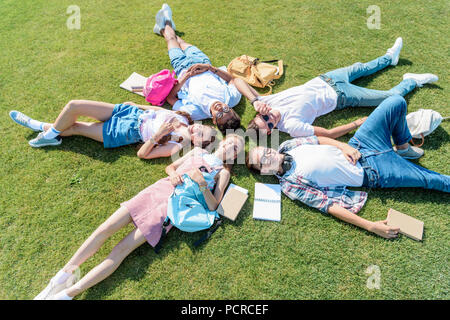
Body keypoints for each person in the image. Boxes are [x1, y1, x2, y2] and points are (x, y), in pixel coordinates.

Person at [33, 133, 245, 300]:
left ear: (235, 156)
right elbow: (170, 166)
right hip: (155, 192)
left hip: (171, 210)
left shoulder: (222, 173)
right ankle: (62, 275)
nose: (229, 148)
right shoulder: (197, 151)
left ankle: (67, 295)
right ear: (222, 142)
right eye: (229, 142)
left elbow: (213, 205)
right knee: (104, 229)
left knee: (121, 250)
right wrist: (173, 174)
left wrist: (201, 184)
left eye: (235, 148)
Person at [246, 95, 449, 239]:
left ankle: (403, 147)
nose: (268, 154)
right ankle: (401, 154)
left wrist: (343, 145)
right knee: (432, 180)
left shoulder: (286, 145)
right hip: (375, 172)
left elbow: (318, 139)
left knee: (396, 102)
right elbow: (329, 206)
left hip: (361, 143)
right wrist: (371, 226)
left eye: (264, 150)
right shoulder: (290, 186)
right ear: (265, 171)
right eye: (262, 160)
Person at [246, 37, 439, 138]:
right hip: (342, 96)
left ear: (259, 114)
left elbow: (236, 82)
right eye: (270, 124)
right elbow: (328, 133)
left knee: (361, 67)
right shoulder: (291, 126)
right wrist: (355, 124)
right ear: (271, 131)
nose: (271, 118)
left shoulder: (265, 103)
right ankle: (412, 81)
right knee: (389, 97)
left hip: (326, 78)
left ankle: (390, 58)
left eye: (264, 117)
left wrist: (255, 101)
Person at [153, 4, 275, 134]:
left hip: (181, 67)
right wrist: (209, 68)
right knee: (181, 43)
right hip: (202, 61)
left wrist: (185, 77)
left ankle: (165, 23)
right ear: (231, 108)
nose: (221, 108)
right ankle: (165, 27)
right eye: (227, 110)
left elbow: (171, 98)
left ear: (214, 120)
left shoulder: (195, 112)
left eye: (220, 115)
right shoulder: (232, 99)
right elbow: (232, 79)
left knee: (171, 39)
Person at [9, 101, 217, 159]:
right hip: (128, 112)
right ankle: (49, 136)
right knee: (74, 106)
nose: (196, 129)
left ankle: (39, 127)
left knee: (76, 127)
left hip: (124, 132)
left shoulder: (176, 146)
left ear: (197, 143)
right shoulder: (184, 117)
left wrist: (157, 136)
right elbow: (156, 109)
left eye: (200, 136)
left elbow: (142, 154)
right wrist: (137, 105)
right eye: (202, 128)